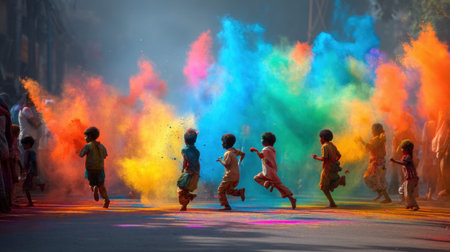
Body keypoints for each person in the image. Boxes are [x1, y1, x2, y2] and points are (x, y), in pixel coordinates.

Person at [251, 132, 296, 209]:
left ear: (267, 141)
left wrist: (255, 150)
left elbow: (261, 156)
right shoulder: (272, 149)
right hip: (269, 171)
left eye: (262, 139)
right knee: (278, 185)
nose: (261, 141)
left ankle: (268, 183)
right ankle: (291, 198)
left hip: (268, 172)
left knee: (277, 184)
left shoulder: (266, 149)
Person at [312, 129, 346, 208]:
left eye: (320, 138)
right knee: (330, 184)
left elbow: (324, 158)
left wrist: (315, 157)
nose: (320, 140)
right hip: (334, 167)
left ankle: (332, 202)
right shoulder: (332, 145)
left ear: (323, 138)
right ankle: (332, 202)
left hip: (327, 168)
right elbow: (339, 155)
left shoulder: (324, 146)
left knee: (323, 186)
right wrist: (334, 161)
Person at [358, 123, 391, 203]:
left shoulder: (377, 139)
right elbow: (367, 149)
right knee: (378, 179)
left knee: (372, 177)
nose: (371, 131)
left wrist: (361, 141)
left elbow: (370, 147)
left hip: (377, 162)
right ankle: (383, 195)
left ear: (377, 130)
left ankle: (384, 196)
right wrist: (359, 143)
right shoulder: (376, 138)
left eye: (373, 129)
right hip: (376, 162)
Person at [79, 127, 110, 208]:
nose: (84, 138)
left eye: (85, 136)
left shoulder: (88, 146)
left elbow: (81, 155)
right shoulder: (102, 146)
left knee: (91, 183)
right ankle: (106, 199)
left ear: (89, 137)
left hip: (90, 169)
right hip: (100, 168)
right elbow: (105, 156)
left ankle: (94, 187)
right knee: (102, 185)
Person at [216, 134, 245, 211]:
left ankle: (226, 206)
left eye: (222, 142)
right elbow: (243, 154)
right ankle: (239, 192)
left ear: (225, 143)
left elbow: (226, 164)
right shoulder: (234, 151)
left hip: (229, 176)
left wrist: (220, 160)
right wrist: (239, 162)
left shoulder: (227, 153)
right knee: (229, 191)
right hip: (236, 175)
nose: (222, 144)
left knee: (220, 190)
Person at [390, 140, 420, 211]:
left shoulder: (408, 157)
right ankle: (409, 204)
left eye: (403, 148)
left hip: (411, 178)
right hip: (408, 179)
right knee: (402, 190)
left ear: (407, 150)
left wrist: (394, 161)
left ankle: (415, 205)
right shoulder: (405, 156)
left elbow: (403, 163)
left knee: (408, 192)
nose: (401, 150)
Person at [177, 128, 200, 211]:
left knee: (180, 189)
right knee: (185, 190)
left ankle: (188, 199)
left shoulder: (184, 150)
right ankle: (184, 206)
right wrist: (197, 173)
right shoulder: (197, 151)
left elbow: (185, 161)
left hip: (188, 172)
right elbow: (197, 163)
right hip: (195, 172)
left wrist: (183, 169)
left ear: (185, 141)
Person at [420, 120, 438, 200]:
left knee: (433, 176)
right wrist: (425, 157)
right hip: (431, 158)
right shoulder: (428, 139)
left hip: (433, 158)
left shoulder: (435, 135)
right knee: (431, 176)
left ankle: (430, 194)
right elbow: (424, 144)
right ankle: (430, 194)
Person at [21, 136, 37, 207]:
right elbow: (25, 162)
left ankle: (30, 202)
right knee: (26, 186)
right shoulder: (27, 152)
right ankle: (29, 201)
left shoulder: (31, 152)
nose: (23, 146)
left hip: (30, 171)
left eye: (24, 145)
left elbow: (35, 162)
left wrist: (36, 171)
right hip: (28, 171)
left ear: (28, 144)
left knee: (26, 187)